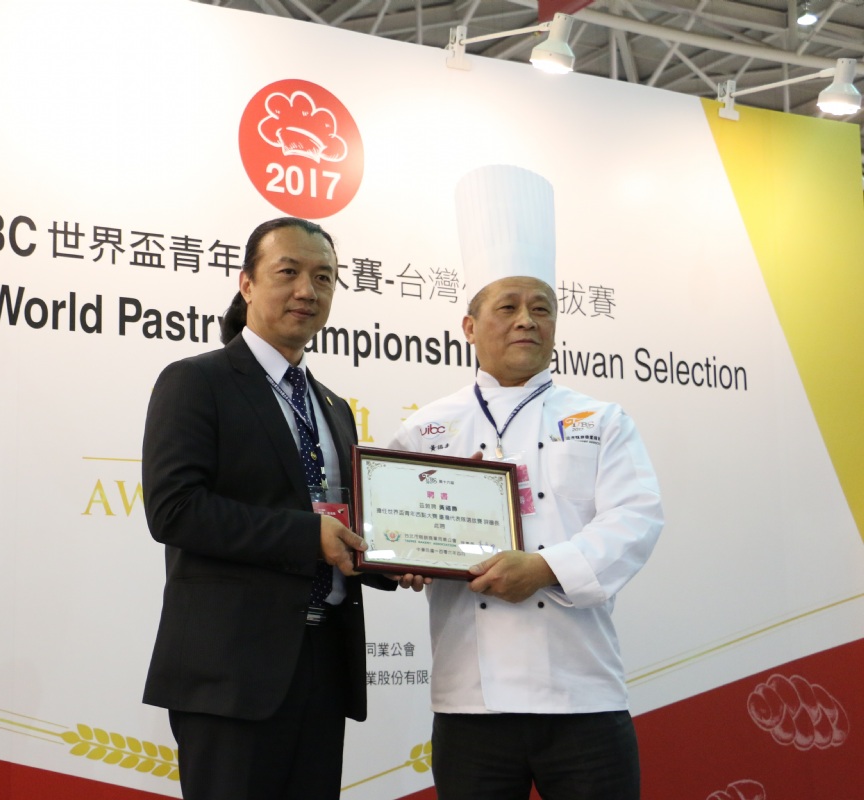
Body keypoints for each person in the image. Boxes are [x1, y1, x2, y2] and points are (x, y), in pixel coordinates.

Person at [388, 165, 664, 799]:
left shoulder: (600, 420)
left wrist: (543, 568)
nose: (526, 321)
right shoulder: (425, 428)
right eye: (507, 306)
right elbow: (392, 525)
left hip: (582, 693)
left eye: (541, 308)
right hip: (470, 701)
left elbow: (636, 519)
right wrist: (399, 556)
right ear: (469, 326)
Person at [141, 216, 402, 800]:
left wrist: (396, 558)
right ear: (247, 284)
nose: (307, 290)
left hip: (323, 663)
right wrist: (308, 537)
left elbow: (339, 521)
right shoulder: (196, 381)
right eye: (288, 272)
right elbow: (175, 510)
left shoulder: (333, 405)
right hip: (232, 672)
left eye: (324, 277)